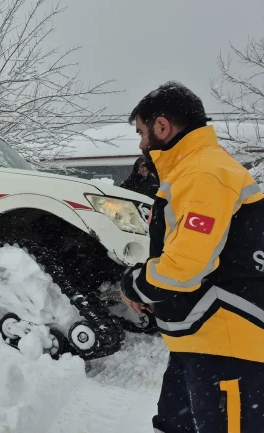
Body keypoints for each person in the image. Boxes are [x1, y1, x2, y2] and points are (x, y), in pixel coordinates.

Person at [119, 81, 264, 433]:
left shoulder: (204, 173)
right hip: (198, 338)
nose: (141, 143)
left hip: (228, 344)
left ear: (162, 126)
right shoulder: (191, 172)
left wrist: (134, 285)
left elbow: (185, 266)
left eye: (141, 132)